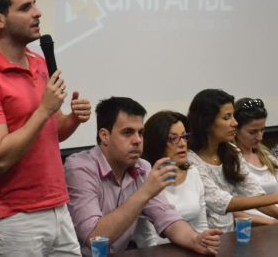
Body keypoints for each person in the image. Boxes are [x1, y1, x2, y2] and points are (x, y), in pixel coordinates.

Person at [0, 0, 92, 256]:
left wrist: (73, 119)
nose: (37, 13)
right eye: (25, 8)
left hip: (58, 207)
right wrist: (44, 110)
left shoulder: (39, 63)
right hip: (16, 218)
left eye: (35, 5)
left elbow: (52, 132)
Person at [64, 97, 222, 256]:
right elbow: (95, 238)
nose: (138, 140)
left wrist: (194, 240)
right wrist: (145, 192)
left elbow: (167, 217)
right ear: (105, 136)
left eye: (140, 133)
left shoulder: (142, 167)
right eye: (127, 133)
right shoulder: (79, 168)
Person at [186, 89, 278, 231]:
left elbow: (253, 192)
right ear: (206, 123)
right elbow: (221, 202)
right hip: (201, 238)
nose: (235, 123)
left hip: (229, 236)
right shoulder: (190, 160)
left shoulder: (231, 151)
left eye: (233, 116)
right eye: (227, 118)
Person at [139, 111, 209, 245]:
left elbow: (201, 226)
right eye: (173, 138)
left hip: (192, 247)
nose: (182, 144)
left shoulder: (193, 173)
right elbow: (149, 240)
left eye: (184, 137)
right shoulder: (144, 180)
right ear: (156, 143)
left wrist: (204, 246)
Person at [233, 98, 278, 225]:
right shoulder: (231, 162)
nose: (260, 137)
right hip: (251, 227)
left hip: (277, 221)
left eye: (262, 130)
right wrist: (270, 222)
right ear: (236, 130)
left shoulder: (268, 157)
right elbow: (230, 209)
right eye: (253, 132)